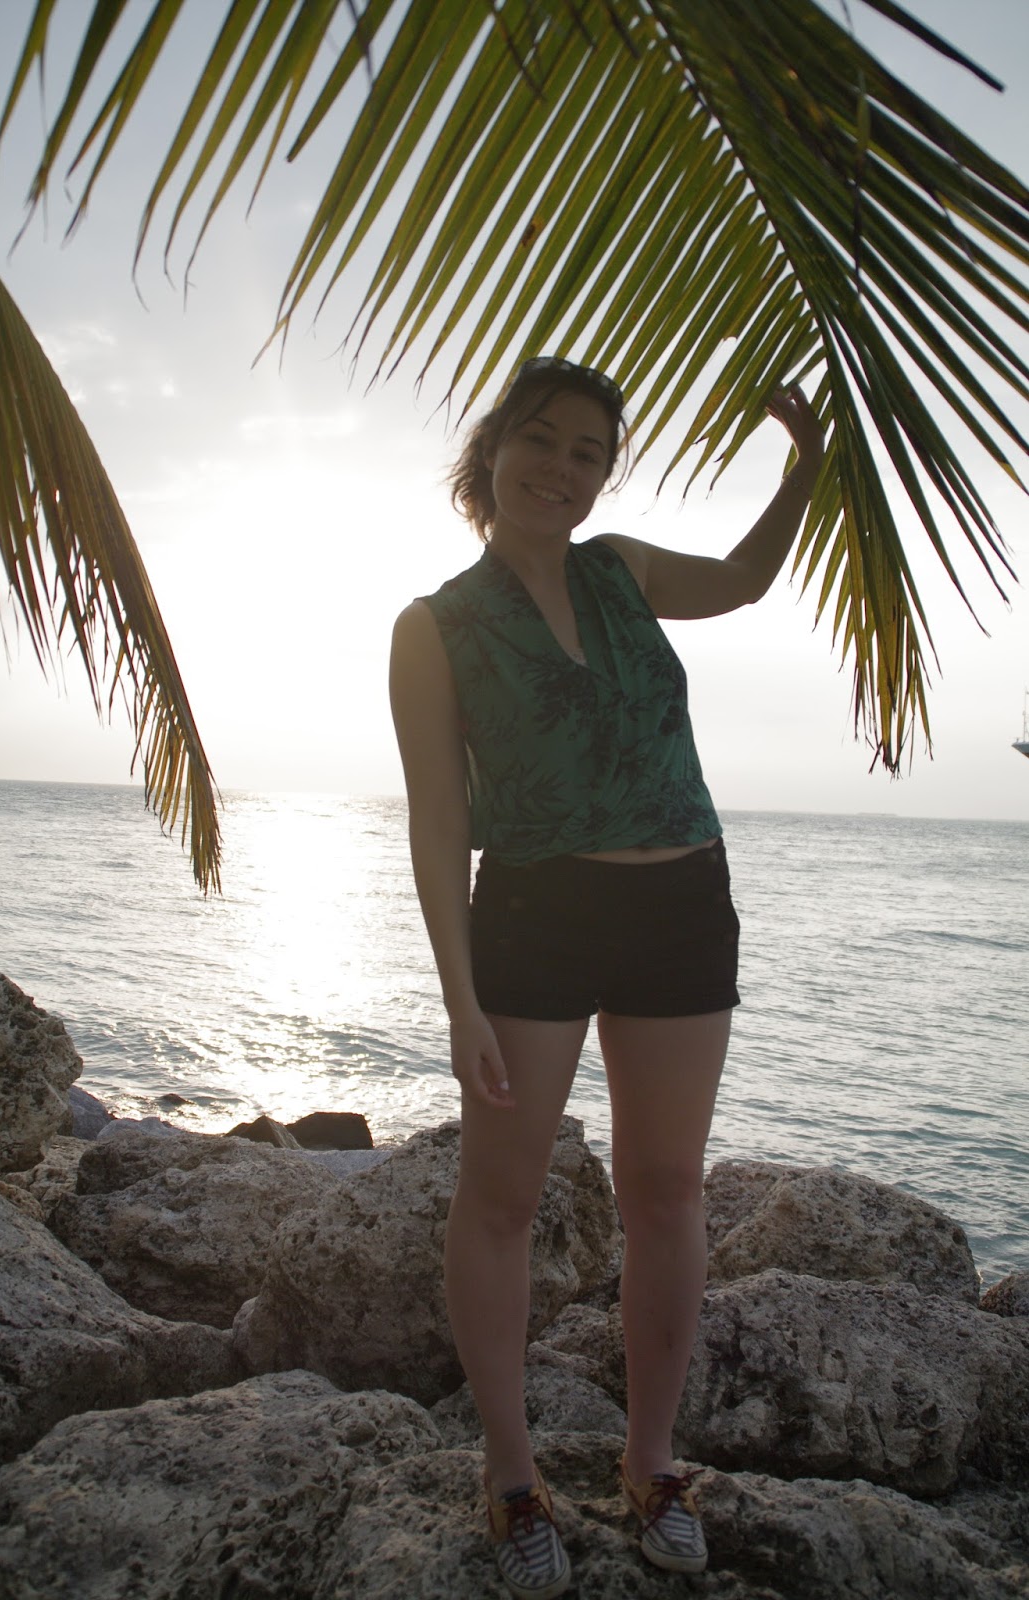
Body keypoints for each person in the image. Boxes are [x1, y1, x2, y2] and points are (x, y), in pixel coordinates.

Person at [389, 356, 824, 1598]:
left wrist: (804, 469)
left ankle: (651, 1462)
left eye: (589, 451)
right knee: (500, 1200)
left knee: (667, 1189)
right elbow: (436, 823)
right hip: (534, 910)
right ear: (491, 449)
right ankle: (511, 1476)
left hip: (681, 905)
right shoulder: (434, 625)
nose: (562, 468)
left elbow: (742, 579)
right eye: (541, 439)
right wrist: (457, 998)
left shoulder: (623, 569)